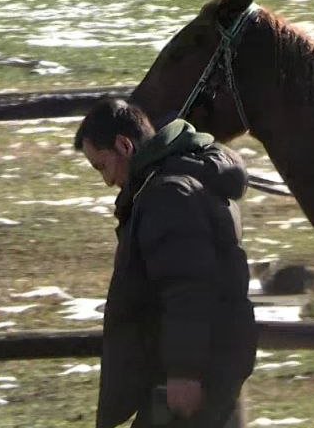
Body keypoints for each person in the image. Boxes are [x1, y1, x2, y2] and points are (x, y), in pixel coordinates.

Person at [74, 98, 256, 428]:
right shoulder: (177, 182)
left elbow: (187, 289)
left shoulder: (168, 195)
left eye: (102, 166)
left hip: (192, 376)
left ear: (124, 145)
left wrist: (185, 373)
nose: (107, 181)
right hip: (200, 365)